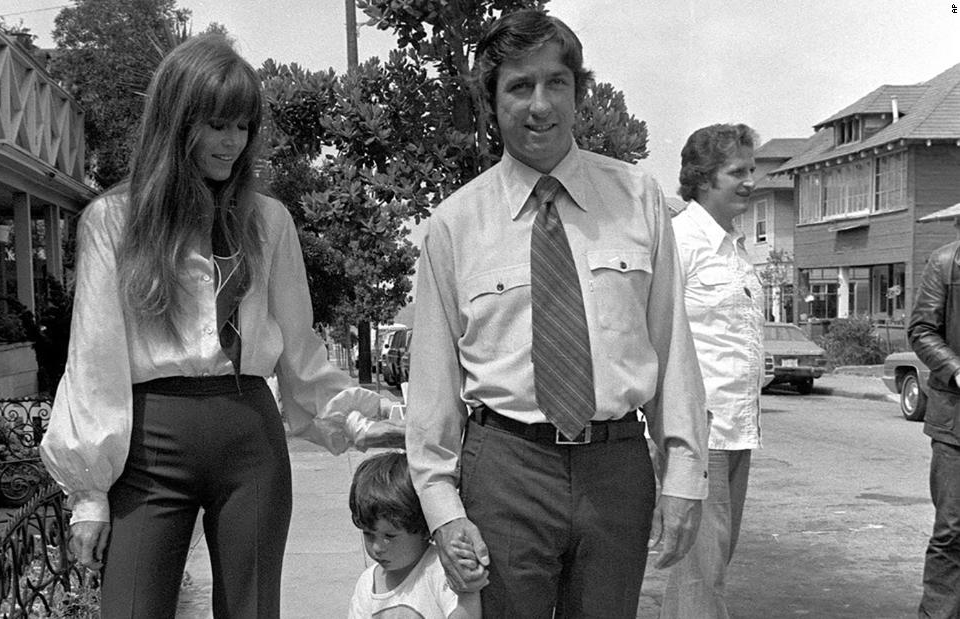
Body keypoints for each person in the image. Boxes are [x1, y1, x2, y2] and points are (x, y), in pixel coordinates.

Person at [40, 33, 384, 618]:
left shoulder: (268, 221)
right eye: (217, 124)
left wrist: (358, 420)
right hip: (150, 446)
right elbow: (95, 359)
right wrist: (90, 496)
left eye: (243, 126)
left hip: (249, 436)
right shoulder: (113, 223)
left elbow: (299, 354)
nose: (233, 142)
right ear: (177, 123)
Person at [405, 9, 710, 618]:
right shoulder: (454, 226)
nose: (539, 104)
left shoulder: (638, 198)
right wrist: (442, 508)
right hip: (506, 472)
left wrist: (684, 476)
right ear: (491, 101)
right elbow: (432, 385)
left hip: (616, 468)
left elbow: (673, 347)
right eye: (519, 86)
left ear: (578, 91)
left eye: (556, 82)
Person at [661, 124, 764, 618]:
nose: (749, 181)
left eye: (751, 170)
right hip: (700, 433)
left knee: (709, 569)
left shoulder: (735, 248)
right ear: (703, 178)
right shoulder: (680, 241)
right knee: (699, 574)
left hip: (738, 431)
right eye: (737, 172)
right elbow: (654, 333)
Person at [347, 452, 481, 619]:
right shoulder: (368, 584)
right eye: (369, 534)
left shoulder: (440, 570)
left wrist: (468, 591)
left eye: (389, 536)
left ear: (424, 528)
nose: (377, 548)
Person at [910, 238, 960, 617]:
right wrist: (957, 370)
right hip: (955, 425)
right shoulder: (945, 262)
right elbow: (922, 330)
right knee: (952, 532)